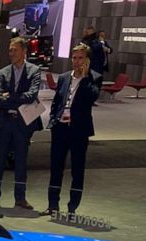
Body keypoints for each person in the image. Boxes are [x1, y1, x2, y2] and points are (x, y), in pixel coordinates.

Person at [42, 43, 101, 216]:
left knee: (77, 169)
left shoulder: (94, 77)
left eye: (80, 58)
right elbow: (57, 101)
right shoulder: (64, 77)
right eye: (74, 58)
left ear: (87, 59)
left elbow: (92, 97)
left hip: (79, 130)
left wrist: (85, 77)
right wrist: (54, 119)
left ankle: (72, 208)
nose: (76, 61)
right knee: (56, 168)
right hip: (60, 128)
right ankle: (52, 205)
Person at [0, 38, 43, 212]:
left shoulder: (34, 70)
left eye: (15, 50)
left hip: (22, 124)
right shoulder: (2, 73)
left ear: (23, 51)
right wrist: (17, 99)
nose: (11, 53)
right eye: (10, 50)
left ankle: (20, 198)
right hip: (4, 123)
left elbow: (32, 95)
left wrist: (9, 97)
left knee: (21, 163)